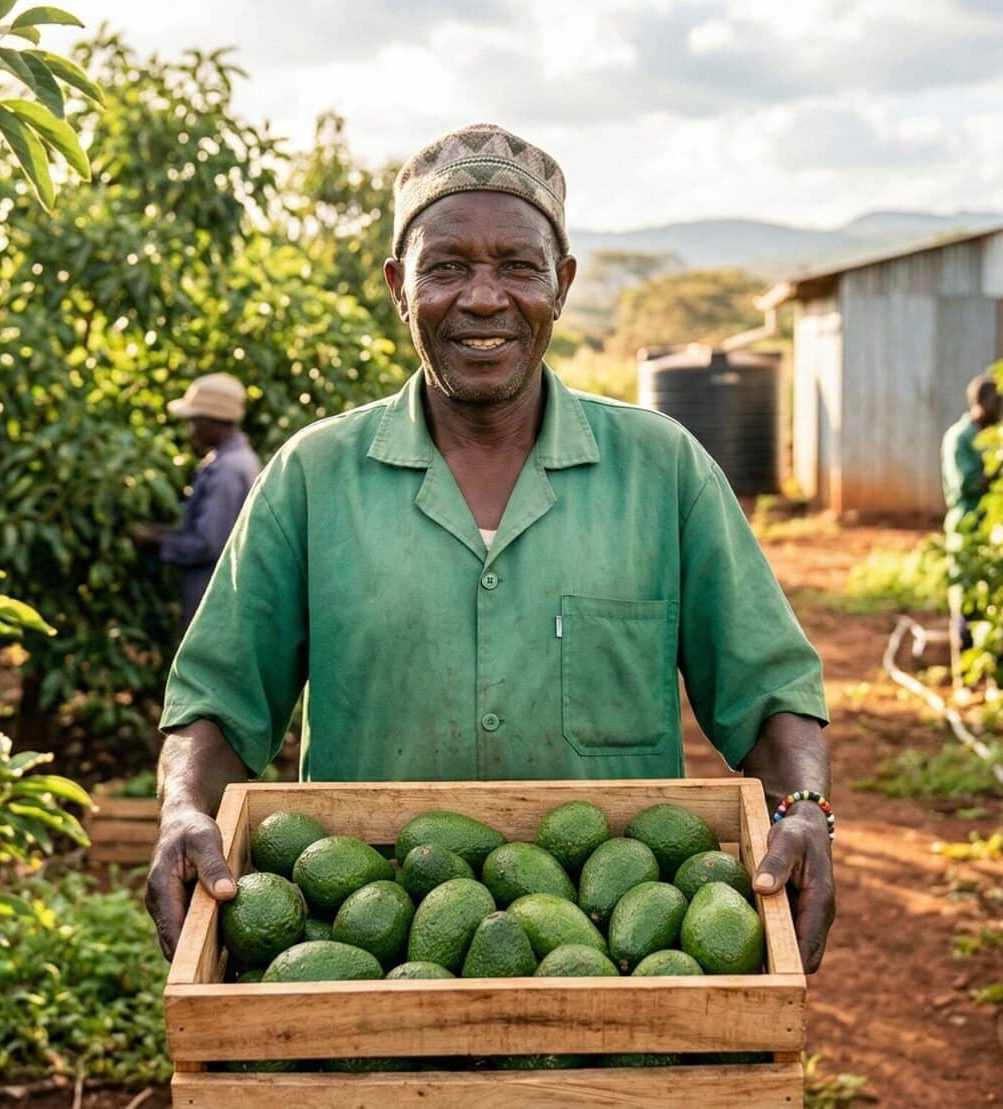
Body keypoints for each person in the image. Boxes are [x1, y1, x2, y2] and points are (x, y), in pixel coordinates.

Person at [144, 123, 836, 971]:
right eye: (447, 266)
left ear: (563, 284)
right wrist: (183, 806)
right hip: (367, 954)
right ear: (400, 286)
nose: (482, 298)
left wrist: (803, 804)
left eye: (517, 266)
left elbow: (769, 691)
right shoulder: (311, 478)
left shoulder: (664, 472)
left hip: (611, 958)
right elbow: (217, 699)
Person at [129, 373, 262, 635]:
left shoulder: (228, 471)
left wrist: (158, 542)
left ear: (212, 422)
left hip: (213, 601)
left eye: (194, 421)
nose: (191, 429)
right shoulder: (231, 461)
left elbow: (208, 543)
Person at [942, 374, 1002, 672]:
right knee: (964, 599)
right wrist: (999, 465)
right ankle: (961, 671)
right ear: (980, 402)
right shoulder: (961, 437)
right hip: (966, 525)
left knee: (989, 597)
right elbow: (967, 482)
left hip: (991, 526)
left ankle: (984, 668)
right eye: (996, 401)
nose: (1001, 407)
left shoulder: (993, 435)